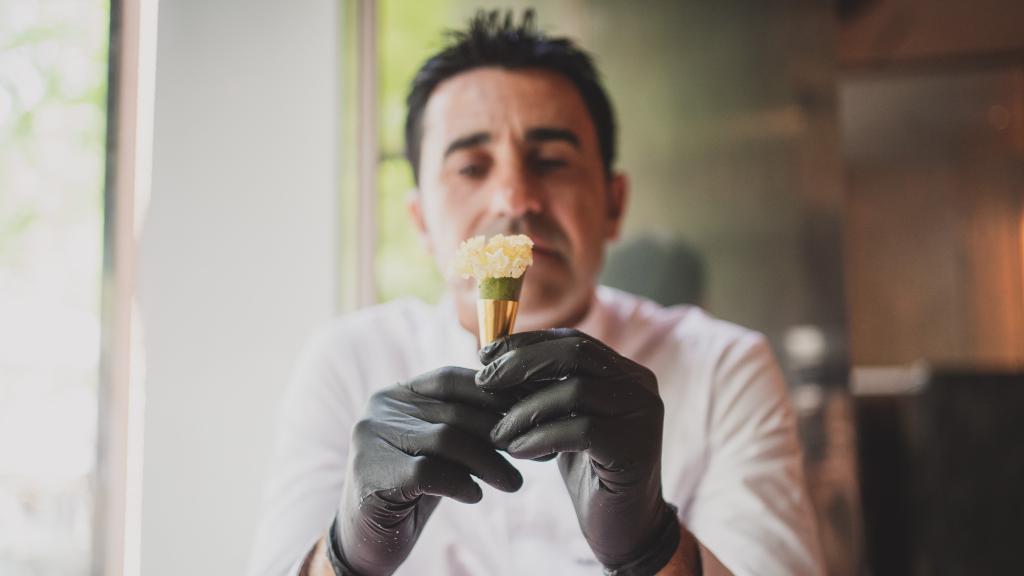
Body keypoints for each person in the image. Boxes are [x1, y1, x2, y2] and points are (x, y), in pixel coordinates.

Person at [248, 10, 824, 576]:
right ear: (420, 220)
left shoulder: (725, 368)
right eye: (472, 167)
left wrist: (651, 547)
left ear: (614, 204)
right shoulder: (347, 363)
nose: (515, 197)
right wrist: (348, 555)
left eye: (551, 161)